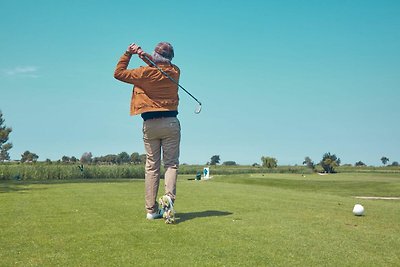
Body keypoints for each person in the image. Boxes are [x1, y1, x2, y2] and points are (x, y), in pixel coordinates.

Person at [114, 42, 180, 224]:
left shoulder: (144, 73)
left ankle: (151, 210)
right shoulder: (175, 71)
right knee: (171, 164)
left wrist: (129, 53)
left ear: (154, 55)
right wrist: (142, 54)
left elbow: (118, 73)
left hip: (150, 124)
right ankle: (169, 198)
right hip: (171, 122)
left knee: (152, 166)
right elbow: (158, 64)